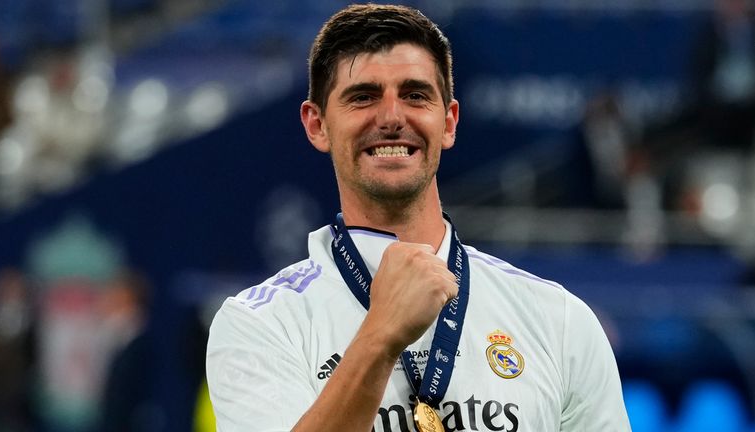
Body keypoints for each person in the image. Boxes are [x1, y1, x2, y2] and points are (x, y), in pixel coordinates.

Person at [206, 4, 630, 431]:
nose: (392, 117)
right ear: (317, 125)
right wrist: (379, 336)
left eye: (415, 95)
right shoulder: (259, 325)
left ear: (448, 122)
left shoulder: (557, 320)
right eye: (363, 97)